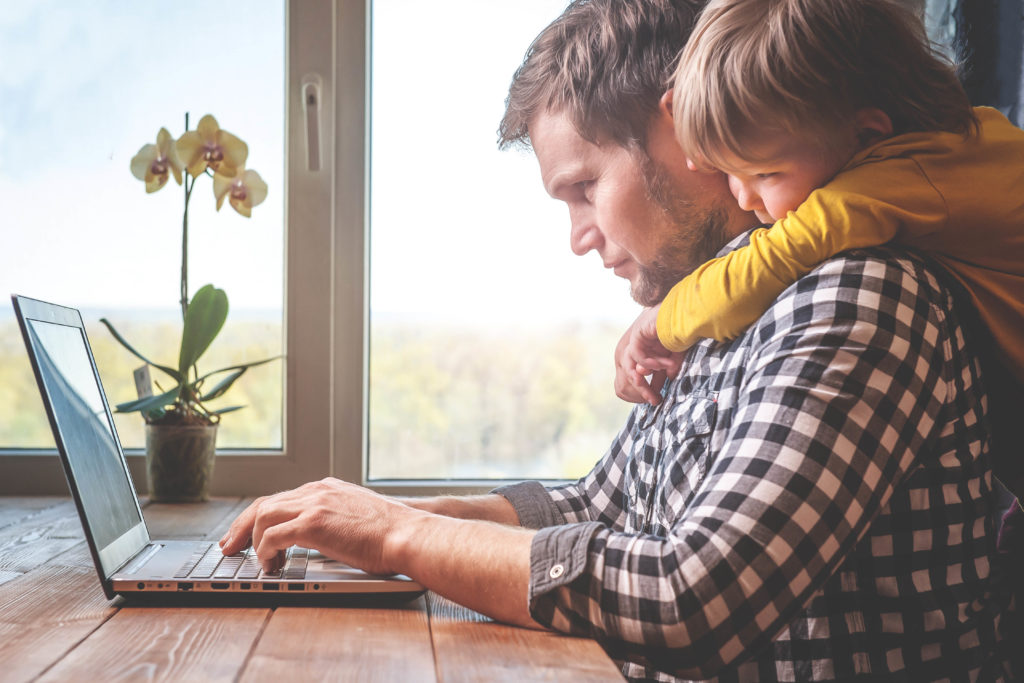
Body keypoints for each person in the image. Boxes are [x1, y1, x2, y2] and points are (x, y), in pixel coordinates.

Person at [219, 0, 1016, 679]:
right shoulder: (724, 300)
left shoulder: (860, 291)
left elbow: (690, 595)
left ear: (680, 129)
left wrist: (404, 537)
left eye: (583, 186)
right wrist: (368, 524)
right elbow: (603, 503)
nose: (577, 236)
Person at [615, 0, 1024, 412]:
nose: (744, 197)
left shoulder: (885, 187)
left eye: (766, 174)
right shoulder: (965, 142)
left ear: (865, 135)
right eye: (726, 172)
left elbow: (764, 267)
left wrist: (663, 320)